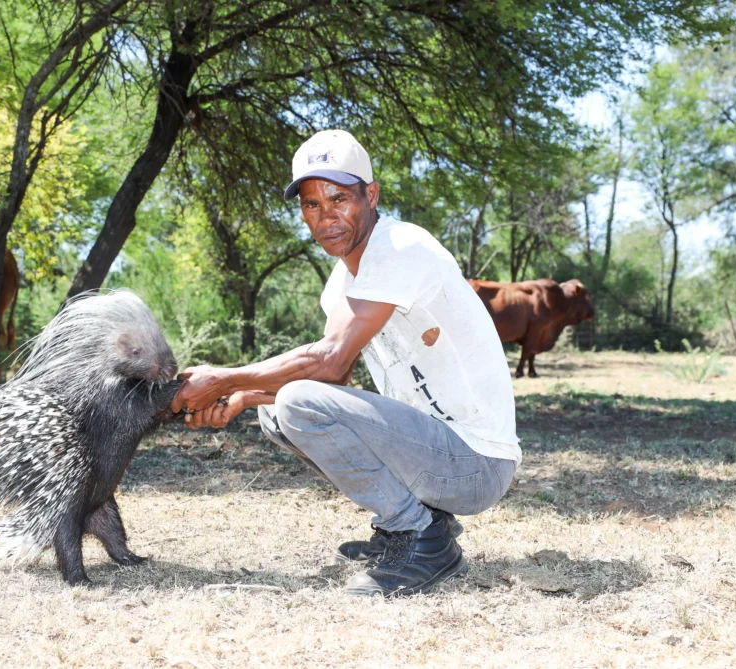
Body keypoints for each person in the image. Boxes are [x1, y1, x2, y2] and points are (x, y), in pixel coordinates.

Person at [170, 129, 520, 597]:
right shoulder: (341, 285)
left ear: (370, 195)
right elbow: (336, 381)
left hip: (477, 463)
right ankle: (416, 522)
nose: (326, 216)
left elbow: (331, 361)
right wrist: (242, 397)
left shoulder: (400, 247)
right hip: (434, 452)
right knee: (278, 412)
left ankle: (423, 539)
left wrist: (223, 378)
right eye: (311, 205)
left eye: (339, 198)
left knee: (296, 401)